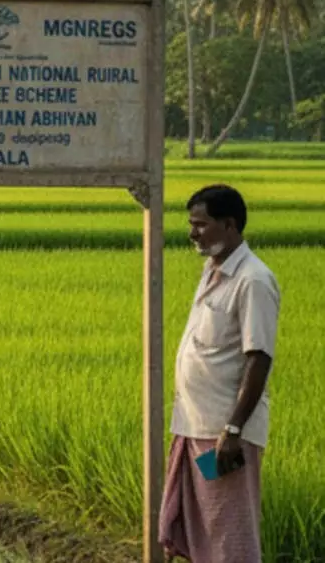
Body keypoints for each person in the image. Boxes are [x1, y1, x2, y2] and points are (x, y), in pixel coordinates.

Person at [160, 185, 280, 563]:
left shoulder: (253, 280)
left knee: (228, 533)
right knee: (202, 531)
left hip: (223, 437)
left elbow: (258, 358)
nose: (192, 232)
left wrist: (233, 430)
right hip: (195, 428)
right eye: (191, 224)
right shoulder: (213, 271)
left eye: (201, 224)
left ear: (229, 225)